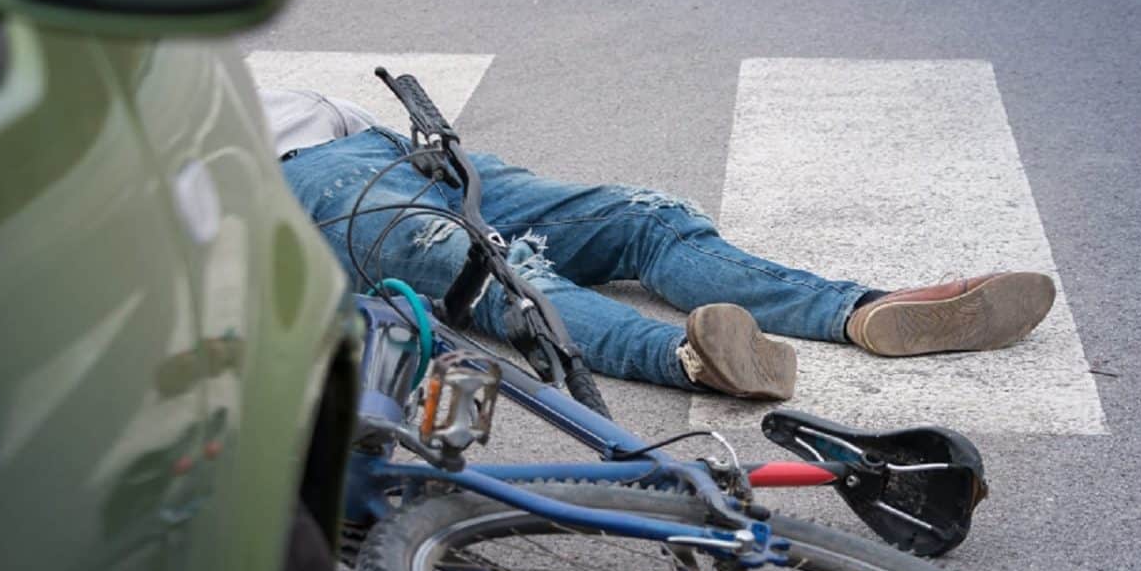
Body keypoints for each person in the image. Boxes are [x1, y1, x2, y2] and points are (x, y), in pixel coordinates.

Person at [263, 88, 1057, 400]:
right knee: (505, 273)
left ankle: (862, 311)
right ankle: (691, 358)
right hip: (307, 187)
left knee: (641, 216)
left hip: (410, 155)